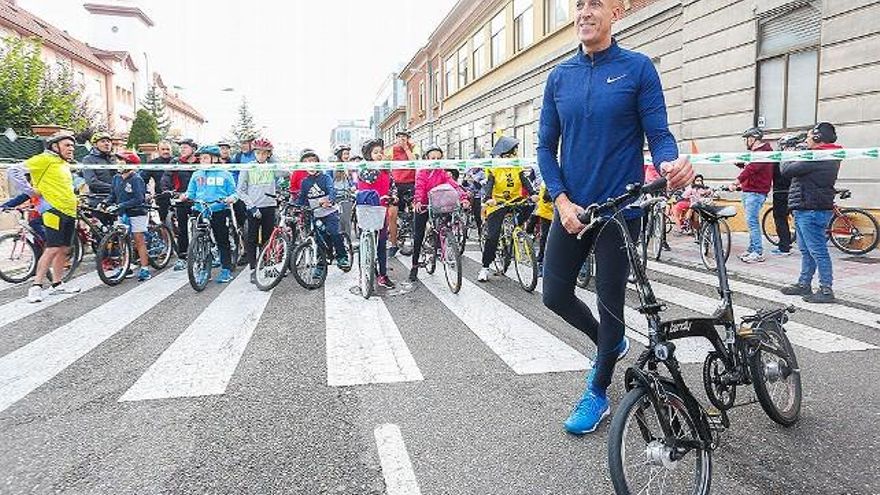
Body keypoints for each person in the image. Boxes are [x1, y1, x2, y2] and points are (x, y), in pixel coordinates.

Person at [537, 0, 693, 435]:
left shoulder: (637, 68)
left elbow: (659, 135)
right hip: (573, 209)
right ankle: (610, 344)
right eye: (579, 5)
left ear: (615, 13)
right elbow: (545, 148)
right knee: (554, 295)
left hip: (621, 210)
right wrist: (561, 201)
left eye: (595, 4)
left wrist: (668, 164)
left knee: (610, 304)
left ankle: (597, 391)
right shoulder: (559, 76)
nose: (585, 12)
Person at [8, 132, 83, 303]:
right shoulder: (44, 159)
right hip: (53, 211)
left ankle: (57, 284)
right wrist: (30, 191)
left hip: (69, 211)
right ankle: (36, 286)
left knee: (64, 249)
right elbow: (14, 170)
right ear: (55, 147)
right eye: (67, 145)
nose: (71, 148)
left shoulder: (63, 163)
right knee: (52, 248)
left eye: (72, 145)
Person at [780, 122, 842, 304]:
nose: (806, 140)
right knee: (806, 250)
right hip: (806, 206)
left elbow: (786, 170)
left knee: (818, 251)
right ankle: (804, 283)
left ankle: (826, 289)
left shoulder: (819, 156)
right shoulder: (823, 154)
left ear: (817, 137)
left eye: (808, 136)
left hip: (811, 208)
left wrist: (787, 152)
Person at [477, 135, 536, 283]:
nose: (516, 152)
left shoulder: (516, 164)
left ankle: (516, 233)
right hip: (498, 202)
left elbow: (524, 180)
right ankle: (485, 267)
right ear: (508, 152)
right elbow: (489, 183)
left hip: (515, 200)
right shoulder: (494, 166)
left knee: (530, 207)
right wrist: (488, 198)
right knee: (493, 236)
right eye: (515, 149)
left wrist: (533, 193)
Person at [409, 145, 469, 282]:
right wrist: (418, 201)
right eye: (433, 158)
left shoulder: (442, 173)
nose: (436, 160)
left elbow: (454, 186)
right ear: (427, 158)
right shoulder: (422, 172)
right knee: (418, 235)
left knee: (444, 226)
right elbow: (419, 188)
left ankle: (443, 245)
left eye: (438, 158)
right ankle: (414, 265)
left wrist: (464, 198)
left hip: (439, 205)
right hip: (424, 205)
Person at [179, 145, 238, 284]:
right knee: (200, 241)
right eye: (201, 159)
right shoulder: (197, 174)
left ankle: (226, 269)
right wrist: (185, 196)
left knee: (222, 240)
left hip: (218, 210)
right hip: (200, 209)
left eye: (205, 158)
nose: (202, 161)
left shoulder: (225, 174)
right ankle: (204, 269)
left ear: (215, 158)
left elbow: (234, 193)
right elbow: (191, 192)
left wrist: (231, 198)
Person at [296, 149, 351, 274]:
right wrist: (295, 206)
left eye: (313, 161)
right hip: (316, 215)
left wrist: (329, 200)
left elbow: (332, 191)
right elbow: (302, 199)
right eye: (306, 163)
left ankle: (342, 257)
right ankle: (321, 265)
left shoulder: (325, 178)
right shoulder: (304, 182)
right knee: (319, 239)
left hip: (330, 212)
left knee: (334, 232)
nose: (310, 165)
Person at [237, 138, 279, 283]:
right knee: (252, 238)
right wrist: (251, 206)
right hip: (253, 207)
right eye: (258, 152)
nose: (261, 155)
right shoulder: (248, 167)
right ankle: (253, 268)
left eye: (265, 153)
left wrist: (273, 157)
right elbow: (240, 190)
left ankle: (266, 265)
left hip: (269, 206)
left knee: (268, 238)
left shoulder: (272, 166)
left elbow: (285, 172)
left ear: (269, 154)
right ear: (254, 153)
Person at [357, 138, 397, 289]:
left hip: (382, 210)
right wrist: (377, 166)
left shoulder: (386, 170)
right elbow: (370, 178)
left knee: (381, 243)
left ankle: (383, 275)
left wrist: (394, 196)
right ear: (368, 154)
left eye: (381, 152)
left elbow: (392, 186)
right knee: (365, 241)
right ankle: (363, 273)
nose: (379, 154)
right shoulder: (364, 169)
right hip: (366, 209)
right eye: (375, 152)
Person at [106, 152, 151, 281]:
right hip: (122, 213)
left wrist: (121, 205)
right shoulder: (116, 178)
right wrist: (106, 202)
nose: (119, 163)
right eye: (118, 160)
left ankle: (145, 269)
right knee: (122, 241)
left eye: (122, 161)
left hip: (137, 213)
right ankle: (126, 267)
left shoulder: (136, 179)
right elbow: (112, 195)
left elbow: (139, 199)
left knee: (138, 239)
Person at [732, 127, 773, 263]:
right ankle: (752, 248)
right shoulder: (755, 153)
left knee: (753, 222)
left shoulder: (763, 153)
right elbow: (750, 168)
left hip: (756, 192)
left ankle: (758, 252)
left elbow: (751, 169)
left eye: (746, 139)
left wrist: (736, 182)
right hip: (749, 190)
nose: (745, 142)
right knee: (751, 222)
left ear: (752, 139)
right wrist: (740, 164)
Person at [162, 138, 198, 270]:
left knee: (203, 226)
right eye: (181, 147)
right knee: (182, 229)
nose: (182, 150)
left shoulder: (200, 161)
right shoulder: (176, 162)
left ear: (193, 149)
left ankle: (209, 251)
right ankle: (182, 257)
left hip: (198, 198)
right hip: (181, 198)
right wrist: (166, 189)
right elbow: (166, 176)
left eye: (185, 147)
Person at [771, 134, 804, 256]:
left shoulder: (780, 157)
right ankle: (803, 245)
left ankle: (784, 247)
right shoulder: (799, 156)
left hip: (781, 191)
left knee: (780, 218)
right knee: (799, 219)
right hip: (796, 192)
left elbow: (771, 170)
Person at [388, 130, 417, 256]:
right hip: (396, 184)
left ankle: (416, 241)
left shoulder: (413, 147)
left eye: (404, 138)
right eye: (399, 137)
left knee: (415, 212)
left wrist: (406, 148)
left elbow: (414, 162)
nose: (401, 140)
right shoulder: (391, 150)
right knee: (392, 215)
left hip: (411, 183)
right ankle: (394, 244)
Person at [141, 141, 174, 223]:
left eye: (168, 149)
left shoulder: (177, 162)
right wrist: (145, 193)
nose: (166, 151)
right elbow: (143, 180)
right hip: (161, 196)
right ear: (158, 150)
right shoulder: (152, 163)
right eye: (163, 149)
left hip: (177, 194)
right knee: (163, 221)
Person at [332, 144, 355, 237]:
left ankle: (348, 241)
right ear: (339, 155)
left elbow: (353, 181)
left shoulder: (349, 167)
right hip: (336, 198)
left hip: (347, 198)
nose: (347, 156)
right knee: (338, 222)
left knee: (347, 221)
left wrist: (353, 186)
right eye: (345, 154)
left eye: (348, 154)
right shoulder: (333, 167)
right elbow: (328, 182)